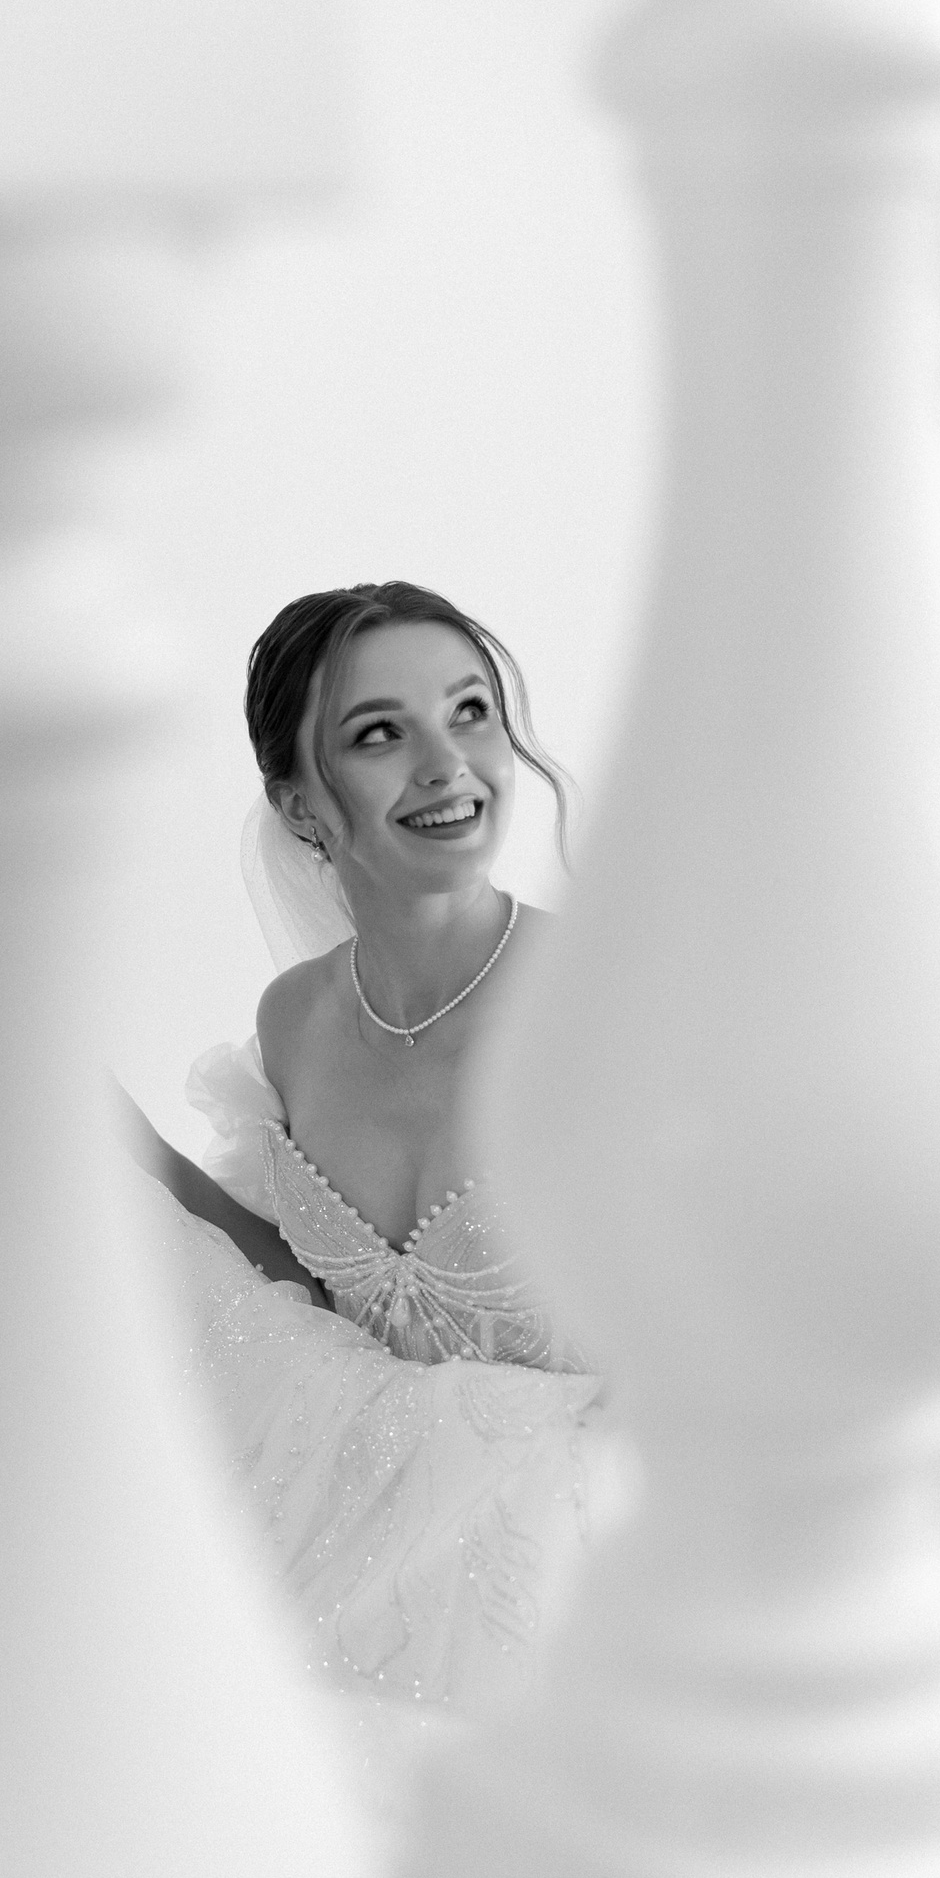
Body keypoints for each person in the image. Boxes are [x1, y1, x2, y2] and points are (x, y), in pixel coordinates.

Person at [118, 581, 612, 1750]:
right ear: (301, 805)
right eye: (380, 733)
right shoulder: (296, 1020)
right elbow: (305, 1288)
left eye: (471, 711)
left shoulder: (605, 1006)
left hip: (570, 1596)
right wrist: (124, 1144)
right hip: (354, 1572)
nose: (449, 765)